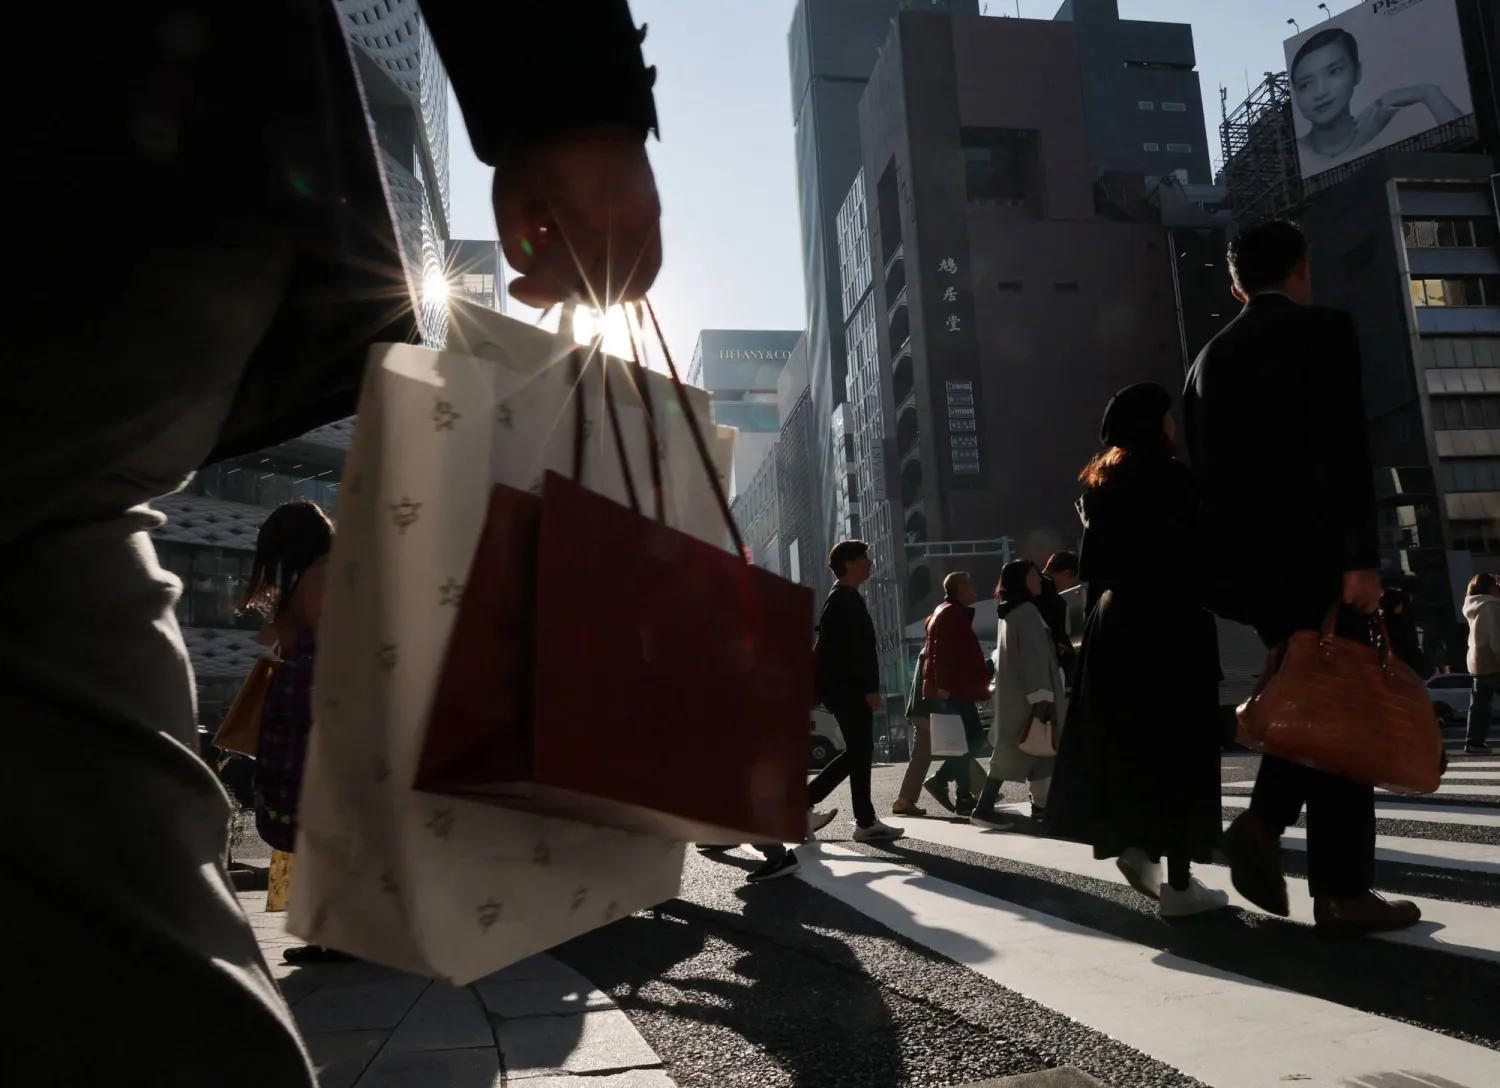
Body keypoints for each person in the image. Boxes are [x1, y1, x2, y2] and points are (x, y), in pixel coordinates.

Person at [3, 3, 662, 1082]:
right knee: (58, 618)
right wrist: (560, 102)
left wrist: (560, 102)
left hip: (94, 129)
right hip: (162, 133)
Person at [1184, 219, 1420, 934]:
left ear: (1235, 283)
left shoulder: (1206, 361)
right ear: (1302, 266)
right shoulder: (1323, 332)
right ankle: (1333, 884)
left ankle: (1268, 827)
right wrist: (1359, 556)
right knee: (1342, 701)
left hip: (1247, 572)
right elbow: (1343, 447)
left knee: (1319, 696)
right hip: (1319, 555)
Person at [1046, 386, 1228, 916]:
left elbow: (1095, 570)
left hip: (1116, 627)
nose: (1173, 424)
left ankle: (1133, 842)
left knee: (1129, 744)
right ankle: (1178, 885)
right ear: (1155, 425)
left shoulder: (1102, 489)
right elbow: (1203, 560)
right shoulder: (1177, 482)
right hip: (1172, 624)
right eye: (1168, 417)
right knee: (1181, 750)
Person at [242, 502, 343, 962]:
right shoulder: (326, 571)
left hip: (316, 708)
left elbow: (326, 636)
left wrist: (285, 633)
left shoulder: (321, 576)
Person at [810, 541, 905, 843]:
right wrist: (869, 688)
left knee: (861, 752)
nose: (870, 562)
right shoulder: (844, 600)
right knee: (859, 751)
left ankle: (865, 821)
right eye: (864, 558)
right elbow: (855, 652)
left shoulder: (842, 598)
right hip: (848, 689)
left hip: (842, 688)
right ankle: (802, 801)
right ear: (849, 563)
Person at [971, 560, 1066, 835]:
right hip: (1029, 698)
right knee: (1014, 753)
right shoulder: (1026, 612)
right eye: (1034, 576)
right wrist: (1042, 699)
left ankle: (1042, 809)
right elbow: (1034, 659)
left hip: (1016, 695)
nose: (1040, 580)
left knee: (1036, 753)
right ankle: (984, 808)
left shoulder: (1010, 612)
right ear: (1021, 581)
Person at [1290, 27, 1462, 174]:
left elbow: (1468, 144)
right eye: (1305, 85)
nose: (1320, 93)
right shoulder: (1295, 161)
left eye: (1334, 71)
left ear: (1357, 73)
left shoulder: (1395, 122)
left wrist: (1428, 92)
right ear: (1295, 94)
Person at [920, 572, 992, 818]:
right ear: (960, 588)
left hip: (953, 689)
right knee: (973, 739)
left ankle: (962, 795)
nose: (974, 590)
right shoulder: (952, 613)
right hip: (953, 690)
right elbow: (944, 653)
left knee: (964, 742)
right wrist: (946, 686)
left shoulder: (948, 612)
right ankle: (945, 782)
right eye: (970, 585)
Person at [893, 649, 933, 816]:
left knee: (923, 755)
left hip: (921, 708)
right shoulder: (936, 646)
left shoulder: (928, 646)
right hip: (927, 710)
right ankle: (980, 789)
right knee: (924, 754)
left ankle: (904, 800)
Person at [1463, 573, 1500, 755]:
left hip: (1477, 661)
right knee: (1480, 705)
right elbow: (1496, 639)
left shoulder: (1474, 605)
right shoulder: (1491, 605)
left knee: (1479, 705)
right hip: (1493, 660)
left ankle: (1473, 742)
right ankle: (1474, 742)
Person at [1036, 551, 1081, 682]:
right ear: (1066, 573)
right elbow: (1058, 636)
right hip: (1048, 669)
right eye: (1072, 581)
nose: (1070, 586)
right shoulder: (1053, 599)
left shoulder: (1025, 592)